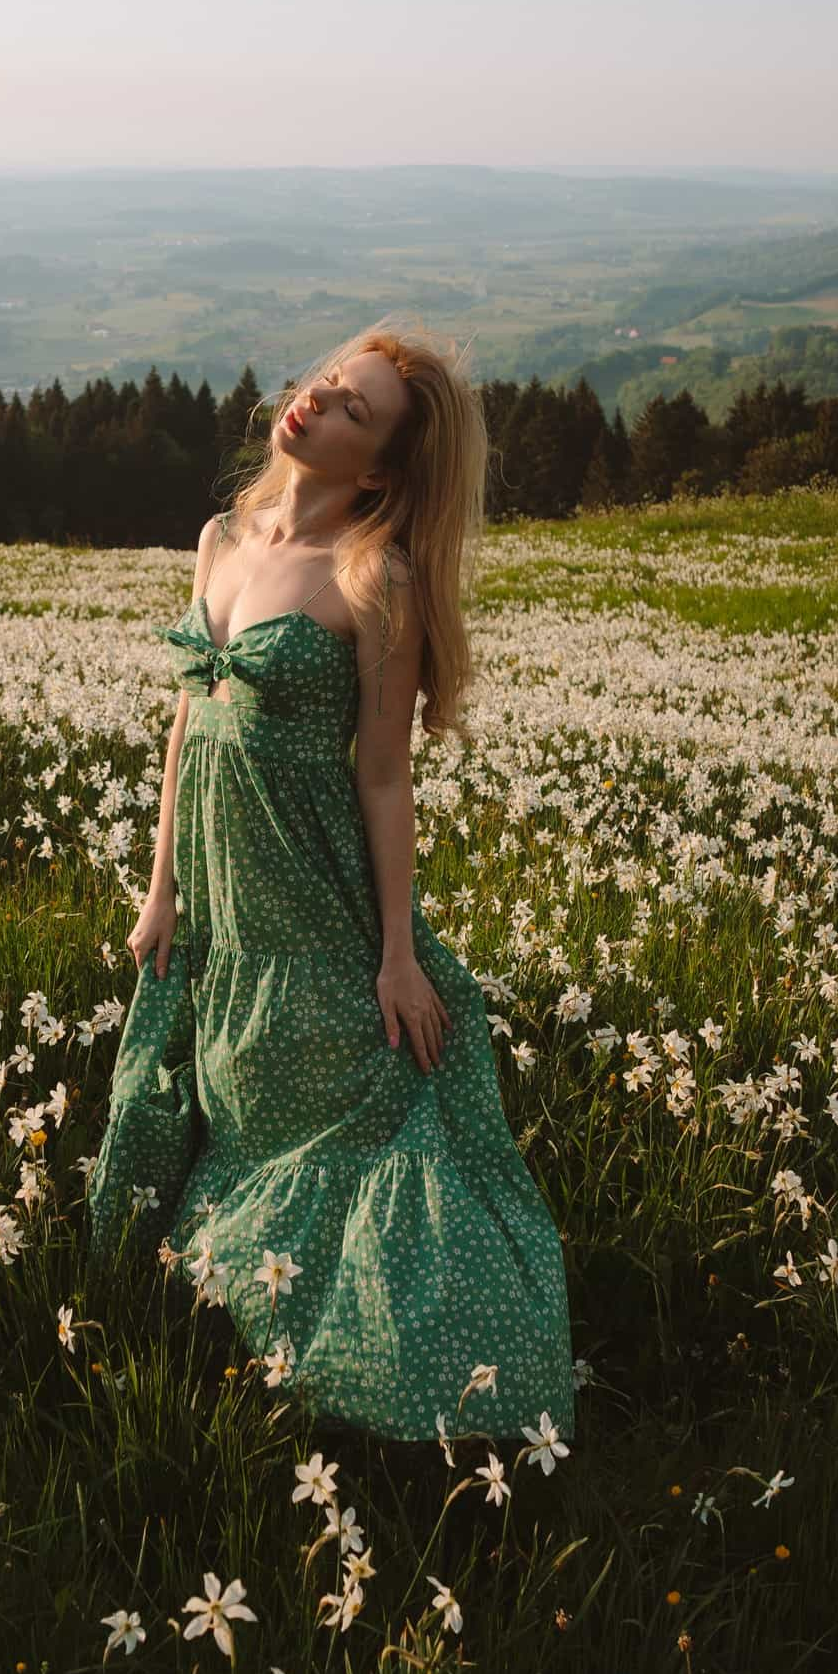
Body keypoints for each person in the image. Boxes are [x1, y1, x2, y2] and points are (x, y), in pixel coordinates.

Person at [86, 317, 576, 1448]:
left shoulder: (376, 575)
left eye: (354, 409)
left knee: (332, 1108)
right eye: (325, 385)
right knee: (228, 1086)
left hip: (310, 889)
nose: (316, 403)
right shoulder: (224, 537)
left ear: (388, 464)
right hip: (216, 884)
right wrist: (161, 888)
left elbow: (387, 777)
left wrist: (397, 955)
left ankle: (382, 1354)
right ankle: (232, 1287)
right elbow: (186, 724)